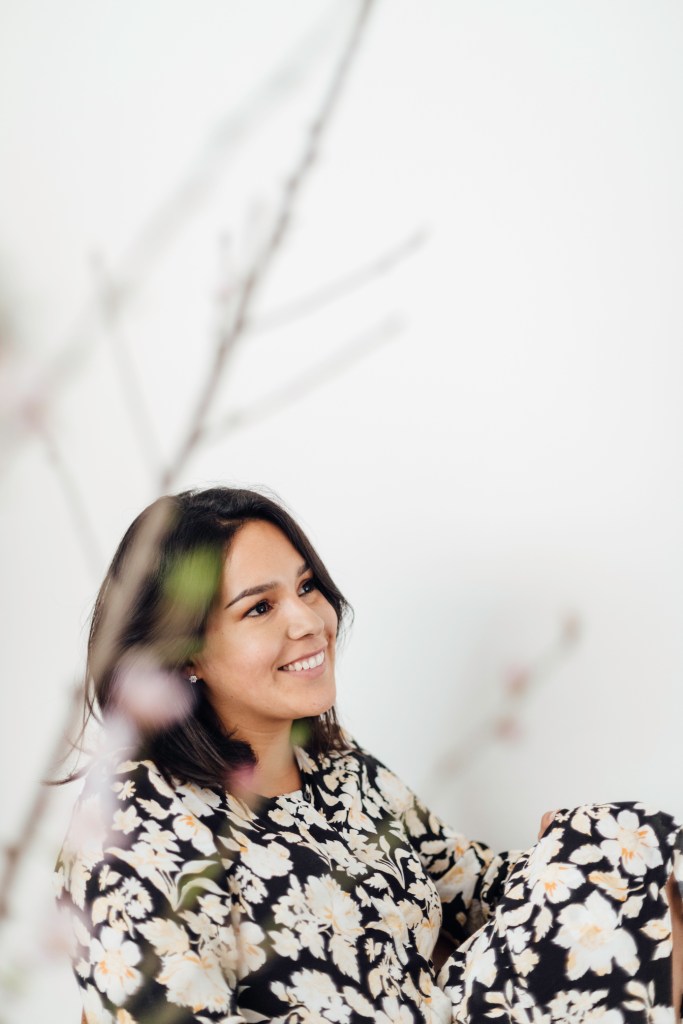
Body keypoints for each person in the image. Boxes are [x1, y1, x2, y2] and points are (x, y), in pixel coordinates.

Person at [55, 486, 683, 1024]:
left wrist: (563, 860)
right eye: (260, 607)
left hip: (461, 1004)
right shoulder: (130, 835)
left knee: (615, 846)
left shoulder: (332, 763)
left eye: (307, 586)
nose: (309, 621)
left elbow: (468, 881)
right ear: (183, 649)